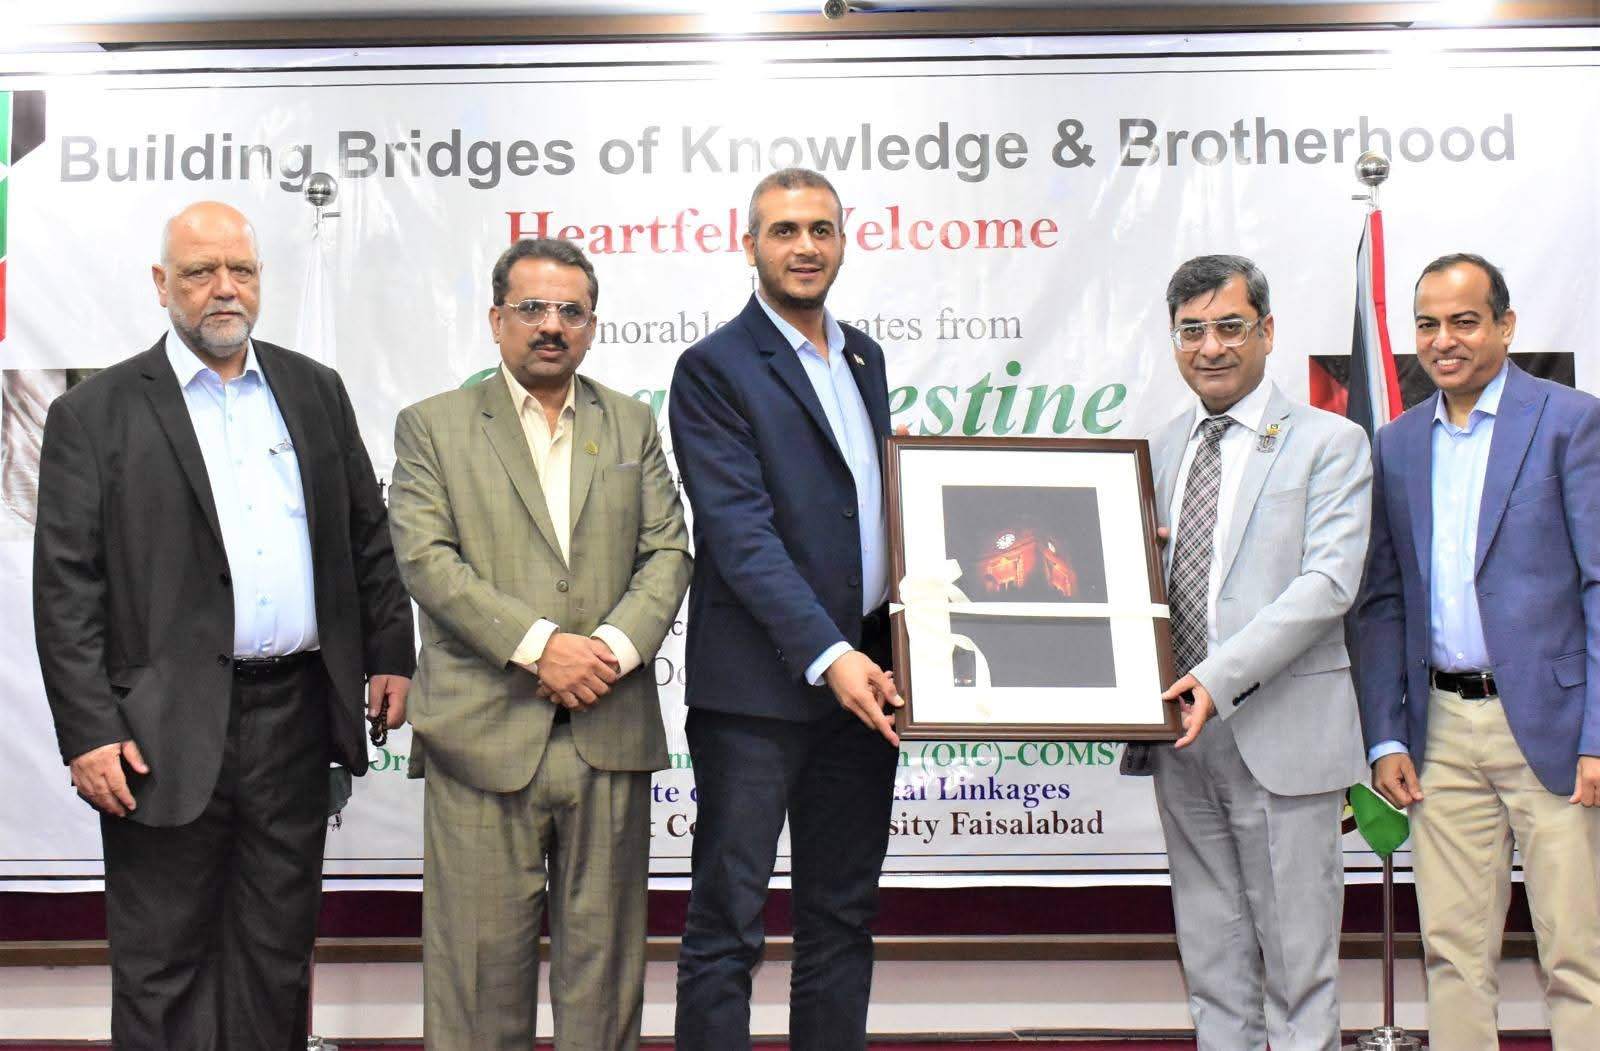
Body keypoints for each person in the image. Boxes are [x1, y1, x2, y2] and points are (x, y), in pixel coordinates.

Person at [31, 200, 415, 1050]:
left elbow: (365, 531)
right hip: (157, 732)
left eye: (240, 269)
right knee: (162, 963)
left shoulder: (313, 390)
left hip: (296, 719)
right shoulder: (95, 413)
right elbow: (65, 589)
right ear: (161, 283)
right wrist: (88, 730)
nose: (224, 288)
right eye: (201, 272)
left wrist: (392, 648)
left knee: (275, 957)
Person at [387, 237, 690, 1051]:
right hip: (482, 737)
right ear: (496, 320)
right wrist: (541, 646)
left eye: (571, 311)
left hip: (608, 731)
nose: (551, 325)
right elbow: (427, 560)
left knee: (605, 985)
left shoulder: (631, 422)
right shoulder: (432, 426)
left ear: (592, 324)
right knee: (478, 987)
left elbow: (668, 551)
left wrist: (609, 652)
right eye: (531, 308)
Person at [668, 168, 900, 1051]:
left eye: (820, 229)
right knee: (728, 924)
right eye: (784, 231)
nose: (805, 246)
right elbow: (740, 535)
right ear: (750, 245)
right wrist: (830, 654)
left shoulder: (865, 357)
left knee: (842, 917)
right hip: (757, 695)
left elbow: (872, 512)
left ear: (844, 240)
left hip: (867, 681)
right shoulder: (713, 368)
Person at [1121, 254, 1371, 1051]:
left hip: (1281, 732)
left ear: (1266, 330)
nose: (1211, 347)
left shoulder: (1330, 442)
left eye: (1230, 326)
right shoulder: (1160, 450)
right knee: (1212, 963)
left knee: (1299, 973)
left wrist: (1214, 676)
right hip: (1183, 741)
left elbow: (1328, 585)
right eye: (1191, 331)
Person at [1357, 253, 1600, 1049]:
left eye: (1464, 321)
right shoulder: (1397, 443)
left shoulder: (1570, 421)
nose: (1443, 340)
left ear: (1506, 325)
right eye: (1427, 324)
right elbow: (1383, 599)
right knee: (1452, 958)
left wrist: (1598, 735)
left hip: (1555, 729)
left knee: (1578, 957)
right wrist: (1386, 735)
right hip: (1439, 735)